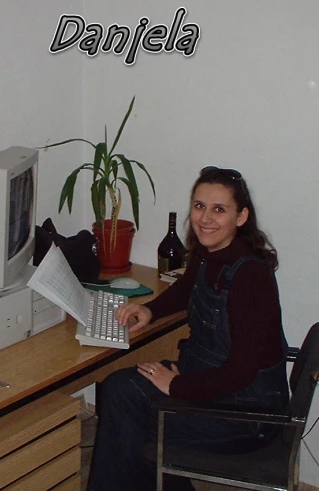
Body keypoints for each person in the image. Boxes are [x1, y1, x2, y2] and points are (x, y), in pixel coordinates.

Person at [86, 166, 289, 491]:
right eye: (199, 206)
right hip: (214, 386)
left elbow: (241, 372)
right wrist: (149, 310)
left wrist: (178, 386)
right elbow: (185, 290)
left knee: (127, 409)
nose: (205, 218)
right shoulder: (209, 254)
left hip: (248, 414)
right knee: (119, 389)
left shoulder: (251, 278)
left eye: (219, 209)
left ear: (241, 216)